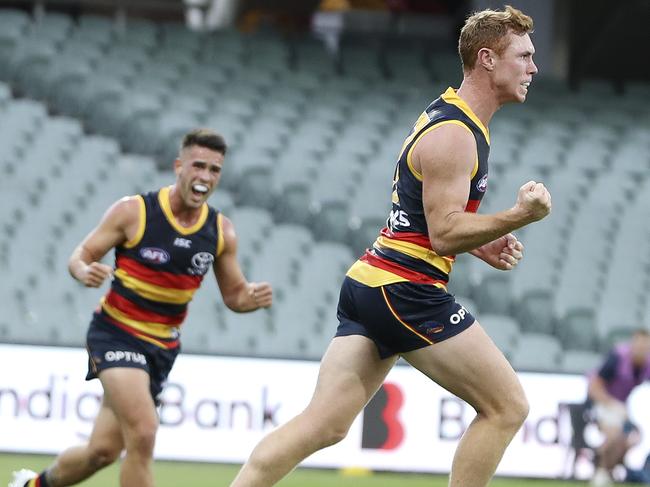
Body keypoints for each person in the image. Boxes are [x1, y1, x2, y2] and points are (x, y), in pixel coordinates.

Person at [229, 5, 550, 487]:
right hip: (405, 289)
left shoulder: (449, 115)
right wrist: (518, 215)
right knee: (506, 407)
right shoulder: (455, 134)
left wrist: (478, 238)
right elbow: (442, 233)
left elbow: (428, 219)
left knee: (325, 424)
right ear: (487, 58)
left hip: (372, 283)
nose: (533, 68)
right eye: (523, 56)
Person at [10, 128, 273, 487]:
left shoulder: (221, 231)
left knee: (100, 452)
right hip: (115, 332)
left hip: (161, 347)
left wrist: (251, 299)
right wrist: (83, 270)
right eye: (198, 166)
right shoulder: (134, 211)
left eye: (214, 170)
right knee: (145, 431)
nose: (205, 177)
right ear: (179, 167)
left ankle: (31, 485)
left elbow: (234, 295)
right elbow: (81, 255)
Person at [587, 329, 650, 487]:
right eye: (639, 344)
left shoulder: (646, 364)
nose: (641, 349)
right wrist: (614, 405)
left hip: (623, 408)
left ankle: (606, 469)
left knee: (634, 438)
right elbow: (594, 387)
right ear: (633, 343)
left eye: (645, 346)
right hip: (600, 402)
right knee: (614, 433)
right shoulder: (618, 357)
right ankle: (601, 470)